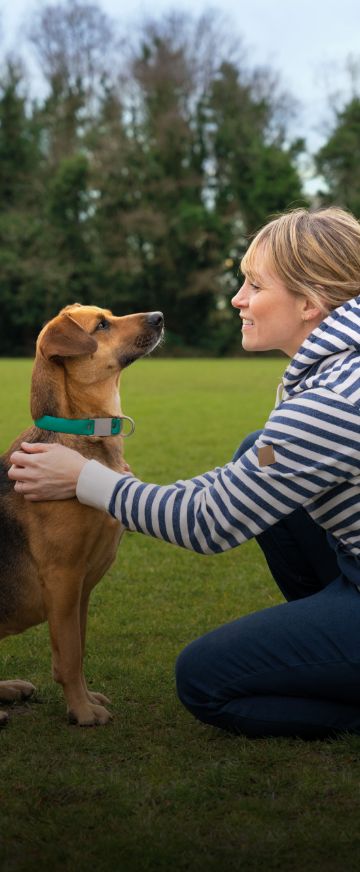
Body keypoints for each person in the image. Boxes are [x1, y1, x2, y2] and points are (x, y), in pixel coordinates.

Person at [9, 206, 360, 740]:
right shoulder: (339, 369)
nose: (238, 298)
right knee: (253, 450)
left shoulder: (332, 400)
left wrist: (85, 480)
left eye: (254, 285)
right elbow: (249, 478)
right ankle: (327, 648)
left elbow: (210, 521)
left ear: (310, 302)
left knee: (204, 680)